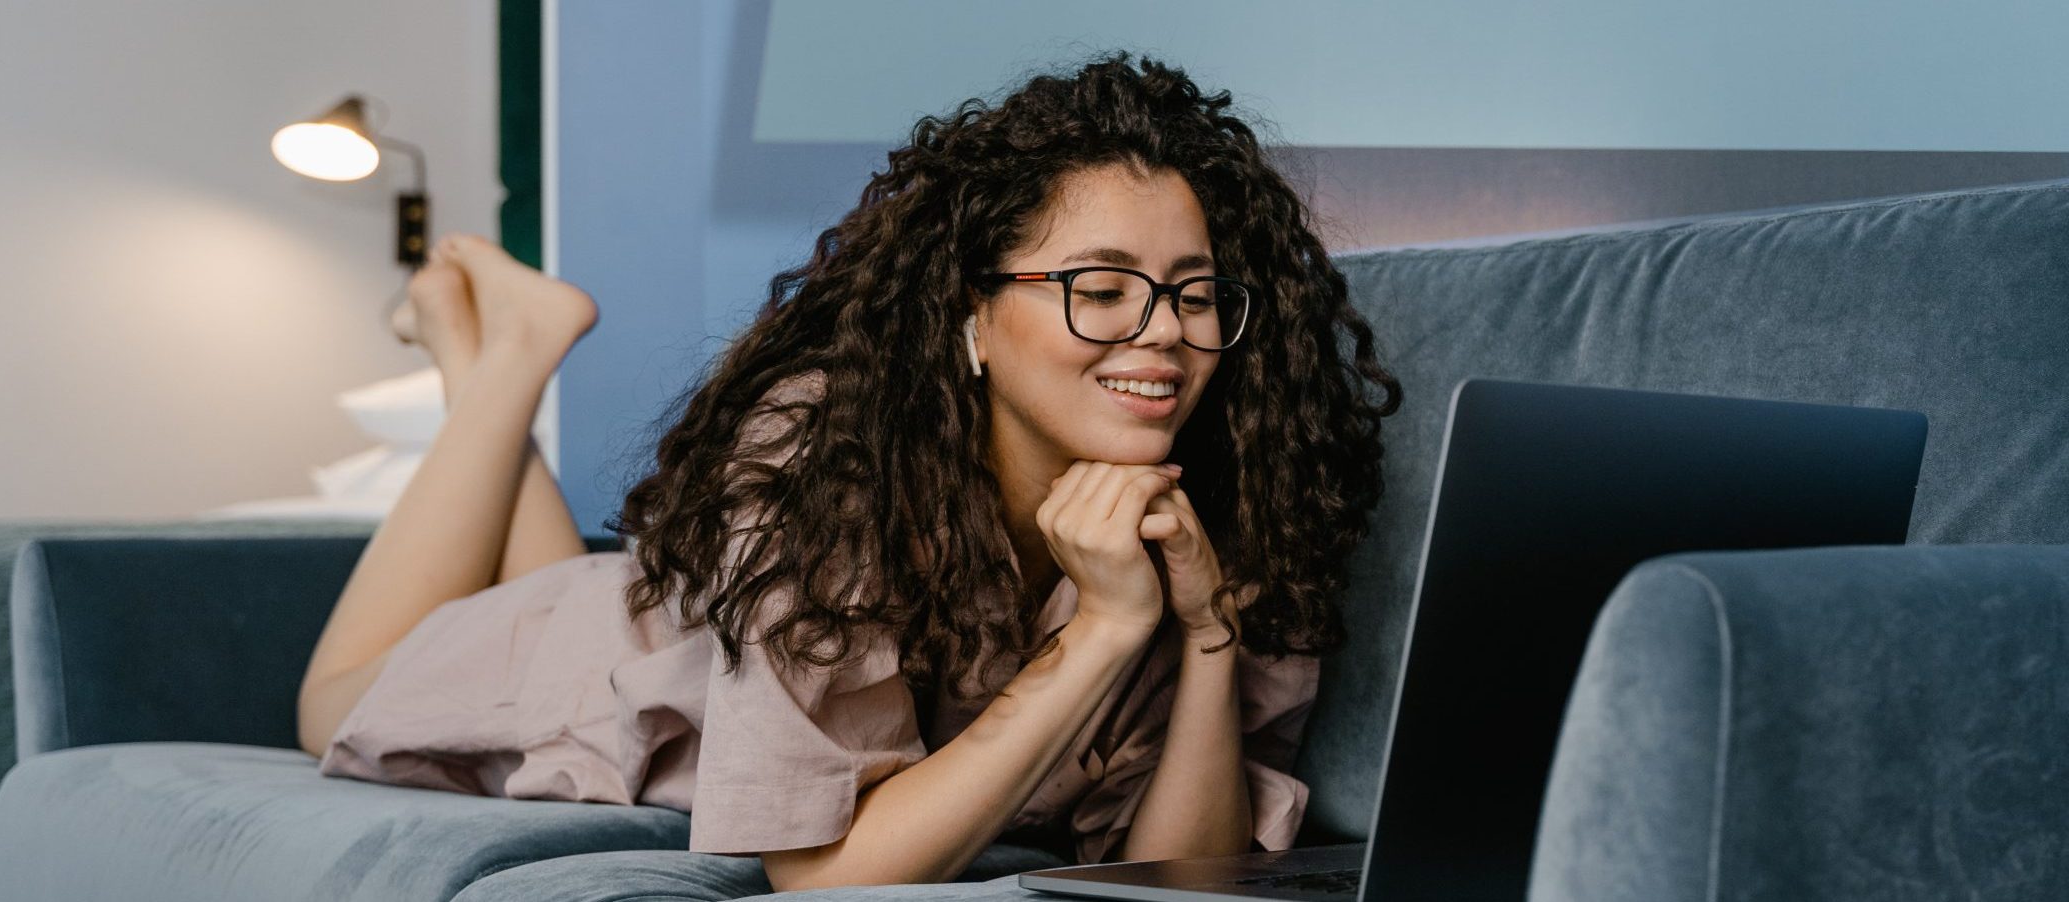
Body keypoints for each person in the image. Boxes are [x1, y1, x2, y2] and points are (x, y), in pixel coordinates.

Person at [294, 52, 1400, 892]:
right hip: (597, 661)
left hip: (672, 635)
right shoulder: (828, 451)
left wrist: (1205, 634)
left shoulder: (1243, 489)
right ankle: (501, 360)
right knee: (330, 701)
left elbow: (1182, 884)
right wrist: (1102, 633)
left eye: (1193, 293)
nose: (1160, 334)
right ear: (971, 313)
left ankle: (484, 351)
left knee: (599, 604)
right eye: (1099, 288)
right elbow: (825, 881)